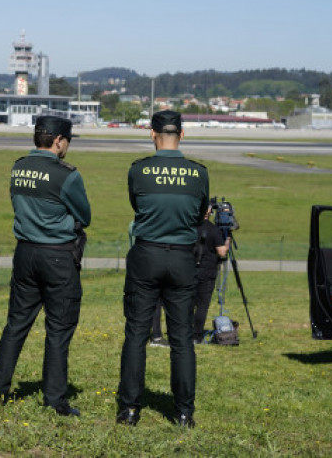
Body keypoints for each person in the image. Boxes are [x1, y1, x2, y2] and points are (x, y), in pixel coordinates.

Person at [0, 116, 91, 417]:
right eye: (68, 141)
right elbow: (84, 214)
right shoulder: (67, 174)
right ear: (59, 140)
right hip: (57, 256)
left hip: (24, 253)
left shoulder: (18, 167)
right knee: (58, 328)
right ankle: (55, 399)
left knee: (16, 324)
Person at [116, 110, 209, 428]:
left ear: (151, 134)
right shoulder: (198, 173)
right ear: (182, 135)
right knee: (182, 338)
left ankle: (129, 410)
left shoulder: (138, 170)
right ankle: (183, 412)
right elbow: (200, 216)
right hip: (182, 257)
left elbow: (136, 206)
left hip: (147, 254)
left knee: (136, 334)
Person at [193, 204, 232, 343]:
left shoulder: (189, 227)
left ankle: (183, 332)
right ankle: (196, 336)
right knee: (202, 306)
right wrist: (227, 239)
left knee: (188, 304)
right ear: (208, 212)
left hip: (189, 270)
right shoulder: (213, 230)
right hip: (207, 271)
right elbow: (222, 252)